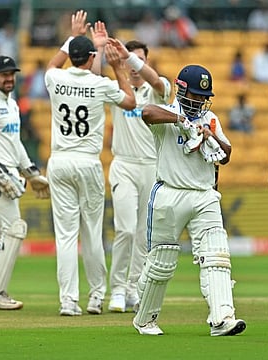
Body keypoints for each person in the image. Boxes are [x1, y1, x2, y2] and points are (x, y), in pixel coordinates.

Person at [133, 64, 246, 336]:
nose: (198, 101)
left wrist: (209, 136)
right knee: (162, 261)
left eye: (202, 97)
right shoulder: (168, 114)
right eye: (194, 95)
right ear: (181, 90)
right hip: (170, 194)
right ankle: (145, 319)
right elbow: (146, 112)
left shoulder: (211, 119)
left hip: (205, 195)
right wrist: (180, 121)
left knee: (217, 257)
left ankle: (222, 318)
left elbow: (227, 154)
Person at [45, 10, 136, 316]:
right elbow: (130, 101)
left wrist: (74, 36)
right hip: (87, 162)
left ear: (72, 54)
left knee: (66, 235)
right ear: (91, 58)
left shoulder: (56, 78)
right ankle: (96, 296)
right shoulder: (100, 84)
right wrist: (119, 67)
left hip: (59, 161)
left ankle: (68, 301)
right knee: (92, 232)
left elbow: (53, 64)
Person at [0, 55, 49, 310]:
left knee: (4, 232)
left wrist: (31, 173)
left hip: (10, 175)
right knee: (15, 228)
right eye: (4, 74)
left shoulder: (12, 104)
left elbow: (16, 145)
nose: (9, 79)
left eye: (11, 74)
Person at [106, 38, 171, 313]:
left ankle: (134, 289)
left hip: (151, 168)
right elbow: (95, 72)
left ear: (145, 60)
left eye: (138, 60)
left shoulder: (159, 90)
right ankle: (118, 289)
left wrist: (127, 57)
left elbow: (155, 81)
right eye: (129, 60)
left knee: (144, 235)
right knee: (125, 228)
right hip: (123, 164)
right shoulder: (116, 90)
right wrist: (106, 53)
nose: (133, 67)